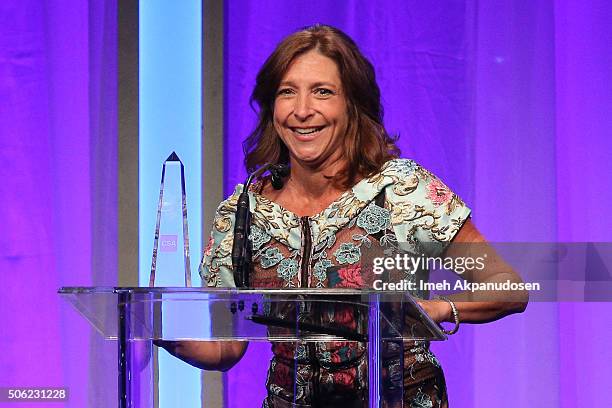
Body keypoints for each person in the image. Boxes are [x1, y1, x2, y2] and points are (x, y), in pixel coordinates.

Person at [158, 24, 528, 407]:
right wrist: (160, 331)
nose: (302, 110)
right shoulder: (243, 212)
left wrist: (437, 309)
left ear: (352, 104)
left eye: (323, 91)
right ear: (272, 108)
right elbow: (226, 349)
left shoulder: (402, 191)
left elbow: (508, 287)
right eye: (288, 92)